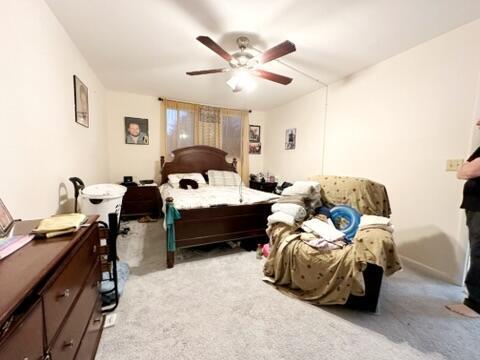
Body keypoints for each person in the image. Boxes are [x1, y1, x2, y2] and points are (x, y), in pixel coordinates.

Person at [447, 120, 480, 317]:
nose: (477, 123)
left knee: (478, 252)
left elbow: (467, 171)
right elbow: (463, 171)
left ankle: (474, 305)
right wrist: (465, 168)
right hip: (475, 206)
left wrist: (466, 167)